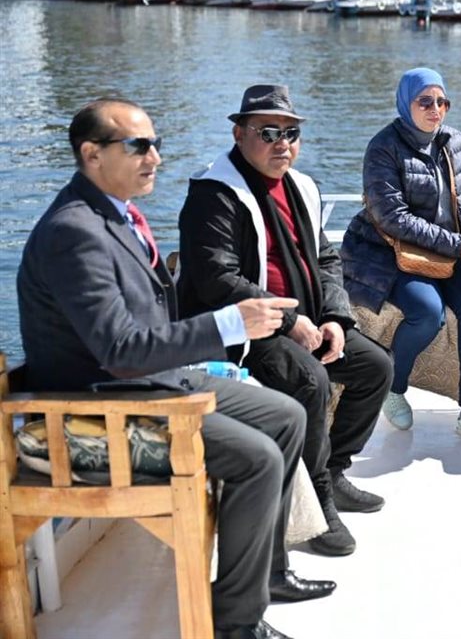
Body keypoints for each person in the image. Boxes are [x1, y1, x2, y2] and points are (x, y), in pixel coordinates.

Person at [17, 98, 336, 639]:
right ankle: (236, 623)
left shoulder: (113, 215)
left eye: (156, 144)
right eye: (138, 146)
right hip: (94, 415)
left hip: (150, 382)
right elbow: (120, 350)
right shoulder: (74, 232)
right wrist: (229, 324)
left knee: (286, 416)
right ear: (91, 154)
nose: (155, 158)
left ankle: (266, 574)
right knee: (257, 457)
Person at [177, 85, 393, 558]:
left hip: (305, 321)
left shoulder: (302, 187)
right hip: (241, 331)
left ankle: (333, 471)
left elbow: (326, 259)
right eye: (268, 132)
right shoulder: (214, 195)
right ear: (239, 134)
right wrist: (290, 321)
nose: (282, 144)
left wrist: (334, 317)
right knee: (310, 380)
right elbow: (217, 280)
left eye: (291, 133)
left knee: (375, 367)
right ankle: (316, 501)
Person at [340, 68, 461, 449]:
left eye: (442, 102)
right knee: (427, 313)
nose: (436, 109)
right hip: (390, 253)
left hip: (446, 251)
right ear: (406, 103)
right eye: (425, 102)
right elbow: (393, 218)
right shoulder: (383, 147)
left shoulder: (455, 141)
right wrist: (458, 246)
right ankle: (392, 385)